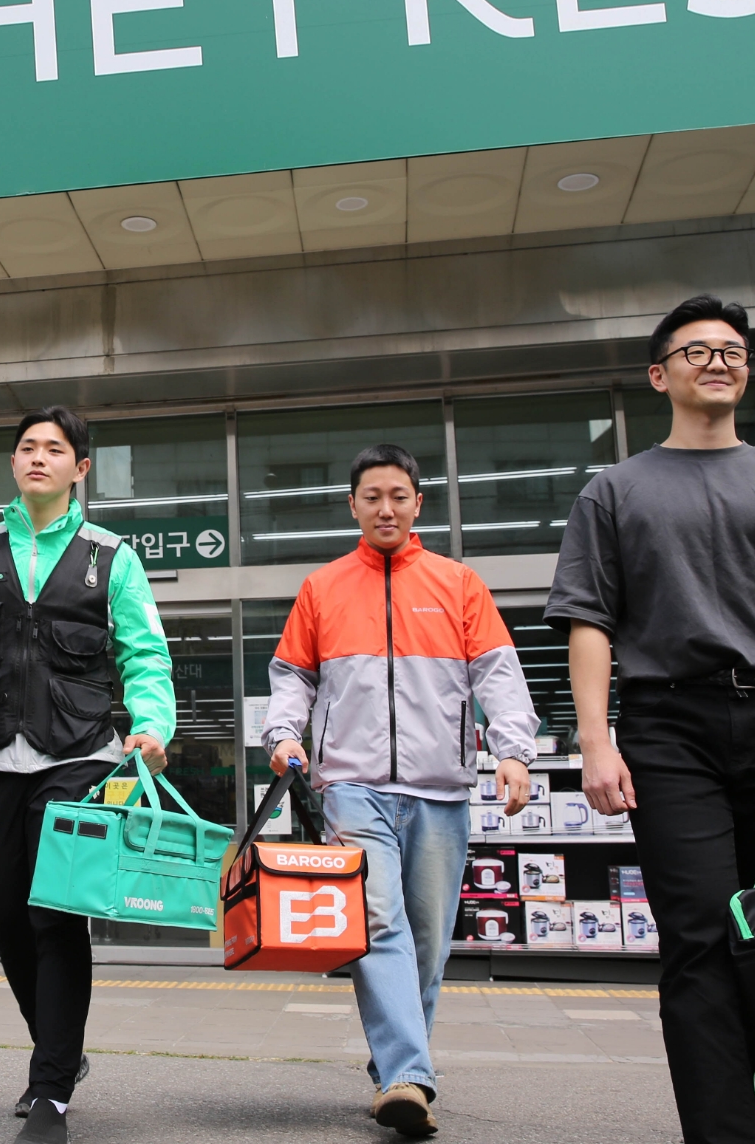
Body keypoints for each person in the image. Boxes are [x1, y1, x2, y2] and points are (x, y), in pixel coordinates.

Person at [545, 295, 755, 1144]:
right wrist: (597, 741)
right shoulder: (614, 491)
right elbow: (589, 621)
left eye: (732, 349)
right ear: (659, 375)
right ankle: (728, 1133)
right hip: (667, 729)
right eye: (697, 351)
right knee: (699, 938)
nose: (719, 361)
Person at [0, 407, 176, 1144]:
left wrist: (153, 726)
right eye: (26, 447)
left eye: (54, 449)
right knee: (4, 917)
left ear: (79, 469)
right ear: (13, 463)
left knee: (54, 914)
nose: (37, 457)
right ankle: (62, 1046)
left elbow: (145, 654)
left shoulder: (110, 556)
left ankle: (50, 1090)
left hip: (80, 756)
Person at [265, 443, 537, 1138]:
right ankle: (409, 1077)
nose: (385, 508)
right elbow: (292, 675)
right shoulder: (322, 588)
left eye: (398, 495)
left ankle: (394, 1062)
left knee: (427, 942)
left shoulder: (459, 584)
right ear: (352, 506)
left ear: (418, 504)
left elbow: (498, 677)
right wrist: (283, 735)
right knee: (378, 924)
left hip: (441, 790)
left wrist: (512, 752)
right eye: (371, 497)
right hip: (351, 786)